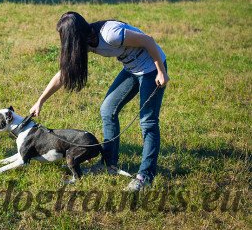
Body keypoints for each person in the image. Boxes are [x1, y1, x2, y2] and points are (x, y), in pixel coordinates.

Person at [30, 12, 169, 191]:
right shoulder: (86, 42)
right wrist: (40, 100)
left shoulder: (111, 34)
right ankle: (109, 164)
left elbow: (148, 41)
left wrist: (161, 71)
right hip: (132, 69)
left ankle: (145, 176)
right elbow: (64, 74)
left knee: (147, 122)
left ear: (75, 34)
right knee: (107, 110)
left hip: (152, 68)